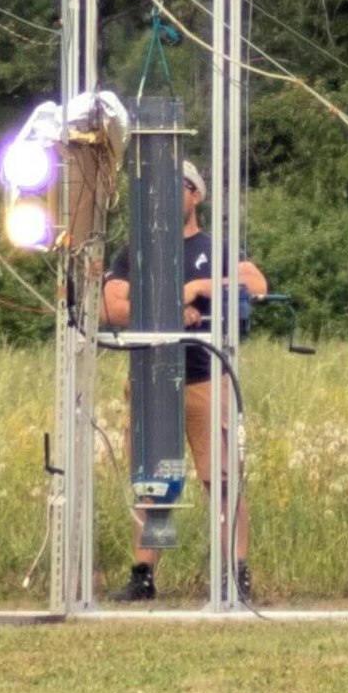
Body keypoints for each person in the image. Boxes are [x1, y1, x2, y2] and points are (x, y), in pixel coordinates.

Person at [101, 160, 268, 603]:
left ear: (195, 194)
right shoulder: (135, 251)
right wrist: (174, 303)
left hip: (203, 375)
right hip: (149, 376)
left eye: (177, 187)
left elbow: (255, 283)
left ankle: (235, 572)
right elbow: (112, 306)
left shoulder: (215, 249)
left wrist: (196, 289)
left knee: (222, 476)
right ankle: (143, 574)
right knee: (152, 481)